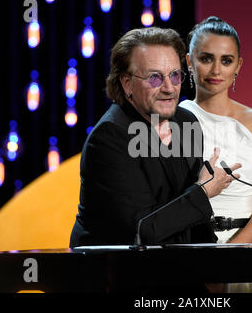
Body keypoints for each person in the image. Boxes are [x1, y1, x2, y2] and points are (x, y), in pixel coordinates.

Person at [69, 26, 237, 248]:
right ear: (126, 83)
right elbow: (142, 231)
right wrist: (204, 191)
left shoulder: (186, 121)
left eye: (175, 75)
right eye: (155, 78)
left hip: (174, 268)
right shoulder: (109, 138)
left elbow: (193, 222)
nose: (169, 88)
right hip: (117, 273)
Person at [180, 16, 252, 245]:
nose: (216, 70)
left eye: (226, 61)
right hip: (189, 247)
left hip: (244, 250)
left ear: (238, 66)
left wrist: (227, 261)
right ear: (189, 61)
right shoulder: (173, 119)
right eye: (206, 58)